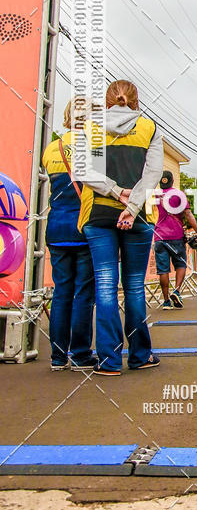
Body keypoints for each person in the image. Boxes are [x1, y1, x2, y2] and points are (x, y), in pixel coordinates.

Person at [78, 80, 164, 375]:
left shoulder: (92, 127)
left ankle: (109, 361)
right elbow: (152, 175)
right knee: (134, 287)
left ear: (107, 100)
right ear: (135, 101)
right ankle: (140, 355)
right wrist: (132, 206)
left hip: (99, 215)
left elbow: (86, 170)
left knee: (105, 287)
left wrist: (116, 193)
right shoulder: (149, 128)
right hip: (139, 219)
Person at [41, 98, 97, 372]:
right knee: (83, 293)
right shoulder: (95, 148)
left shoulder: (52, 148)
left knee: (61, 292)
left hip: (56, 228)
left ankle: (57, 356)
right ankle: (81, 354)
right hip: (84, 228)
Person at [154, 170, 197, 309]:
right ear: (172, 181)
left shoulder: (155, 195)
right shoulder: (179, 194)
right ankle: (176, 290)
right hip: (175, 235)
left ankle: (166, 301)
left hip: (159, 236)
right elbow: (187, 213)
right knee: (180, 264)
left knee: (163, 270)